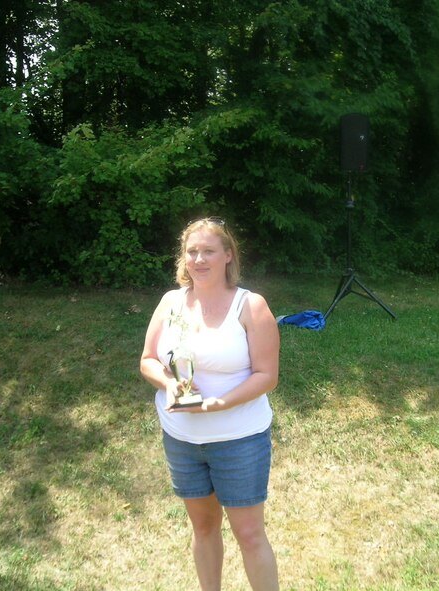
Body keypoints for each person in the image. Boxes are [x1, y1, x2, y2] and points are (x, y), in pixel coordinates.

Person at [140, 217, 280, 591]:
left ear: (228, 255)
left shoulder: (251, 306)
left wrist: (221, 403)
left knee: (249, 534)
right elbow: (148, 359)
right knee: (203, 527)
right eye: (192, 251)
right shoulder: (171, 302)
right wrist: (168, 384)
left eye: (208, 251)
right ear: (183, 257)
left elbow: (267, 375)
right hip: (182, 439)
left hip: (239, 438)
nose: (199, 259)